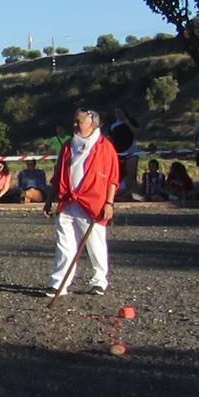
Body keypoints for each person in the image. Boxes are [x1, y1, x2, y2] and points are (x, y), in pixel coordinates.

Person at [44, 109, 119, 297]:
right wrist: (49, 199)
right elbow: (58, 173)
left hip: (93, 203)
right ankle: (59, 283)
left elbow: (112, 177)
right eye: (75, 122)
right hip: (68, 200)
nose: (75, 125)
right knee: (64, 244)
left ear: (92, 124)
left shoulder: (105, 147)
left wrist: (109, 203)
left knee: (95, 243)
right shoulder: (68, 146)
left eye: (80, 122)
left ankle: (99, 281)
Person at [108, 106, 140, 200]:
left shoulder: (131, 121)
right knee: (118, 174)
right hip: (118, 152)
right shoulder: (113, 125)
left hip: (131, 150)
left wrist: (127, 122)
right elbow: (110, 138)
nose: (118, 114)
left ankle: (131, 193)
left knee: (131, 173)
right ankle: (119, 193)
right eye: (116, 112)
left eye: (120, 112)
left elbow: (136, 132)